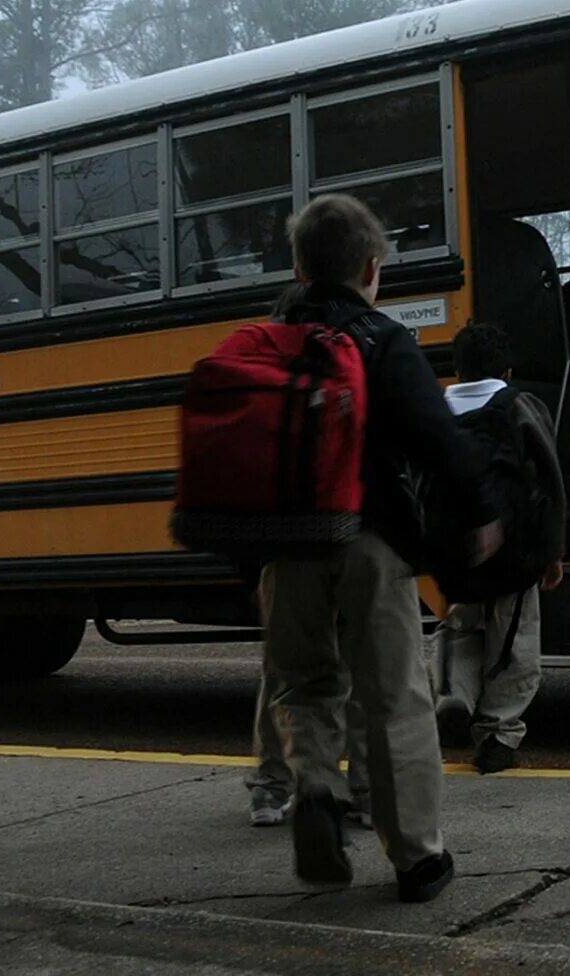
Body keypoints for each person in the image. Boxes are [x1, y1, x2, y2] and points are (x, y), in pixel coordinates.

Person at [260, 193, 501, 901]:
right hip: (370, 541)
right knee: (394, 697)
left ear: (301, 268)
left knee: (304, 686)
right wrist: (482, 512)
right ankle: (417, 858)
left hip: (286, 549)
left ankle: (311, 788)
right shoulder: (382, 339)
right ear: (372, 268)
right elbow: (440, 438)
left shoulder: (267, 344)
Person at [245, 282, 368, 829]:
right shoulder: (354, 357)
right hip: (349, 533)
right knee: (362, 669)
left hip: (281, 548)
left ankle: (273, 786)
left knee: (286, 675)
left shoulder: (255, 375)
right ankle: (363, 790)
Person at [432, 321, 566, 775]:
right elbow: (549, 480)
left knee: (462, 628)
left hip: (456, 554)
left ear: (456, 366)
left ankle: (454, 697)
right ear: (506, 369)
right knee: (514, 640)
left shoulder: (436, 411)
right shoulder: (521, 406)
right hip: (515, 552)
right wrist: (552, 551)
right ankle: (498, 735)